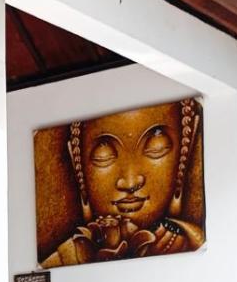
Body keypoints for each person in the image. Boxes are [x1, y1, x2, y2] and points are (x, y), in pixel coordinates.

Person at [42, 98, 205, 267]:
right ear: (79, 168)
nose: (130, 182)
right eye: (103, 157)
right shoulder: (62, 261)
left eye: (157, 148)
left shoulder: (198, 246)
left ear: (183, 157)